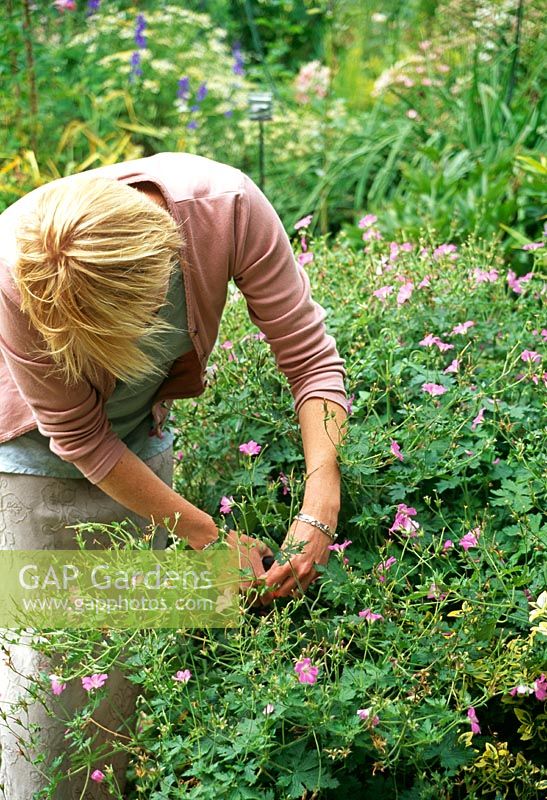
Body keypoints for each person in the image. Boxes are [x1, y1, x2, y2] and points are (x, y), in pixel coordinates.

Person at [0, 151, 347, 798]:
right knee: (51, 700)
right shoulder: (14, 267)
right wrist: (209, 540)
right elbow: (79, 437)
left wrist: (319, 501)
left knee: (126, 676)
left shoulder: (227, 208)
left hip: (140, 445)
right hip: (27, 462)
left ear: (165, 269)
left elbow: (310, 359)